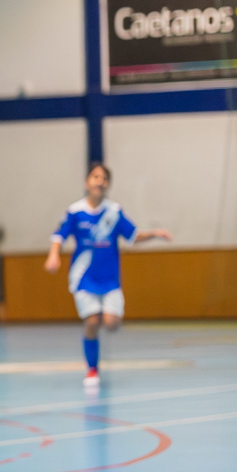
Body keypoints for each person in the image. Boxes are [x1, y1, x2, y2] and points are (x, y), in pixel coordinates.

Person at [44, 162, 172, 389]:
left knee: (111, 323)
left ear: (108, 184)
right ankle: (92, 369)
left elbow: (133, 235)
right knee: (92, 321)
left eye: (104, 178)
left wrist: (154, 233)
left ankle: (107, 317)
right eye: (95, 177)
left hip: (110, 279)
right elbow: (58, 236)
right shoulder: (75, 212)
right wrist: (53, 256)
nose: (100, 181)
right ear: (87, 182)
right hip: (84, 277)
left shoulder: (114, 212)